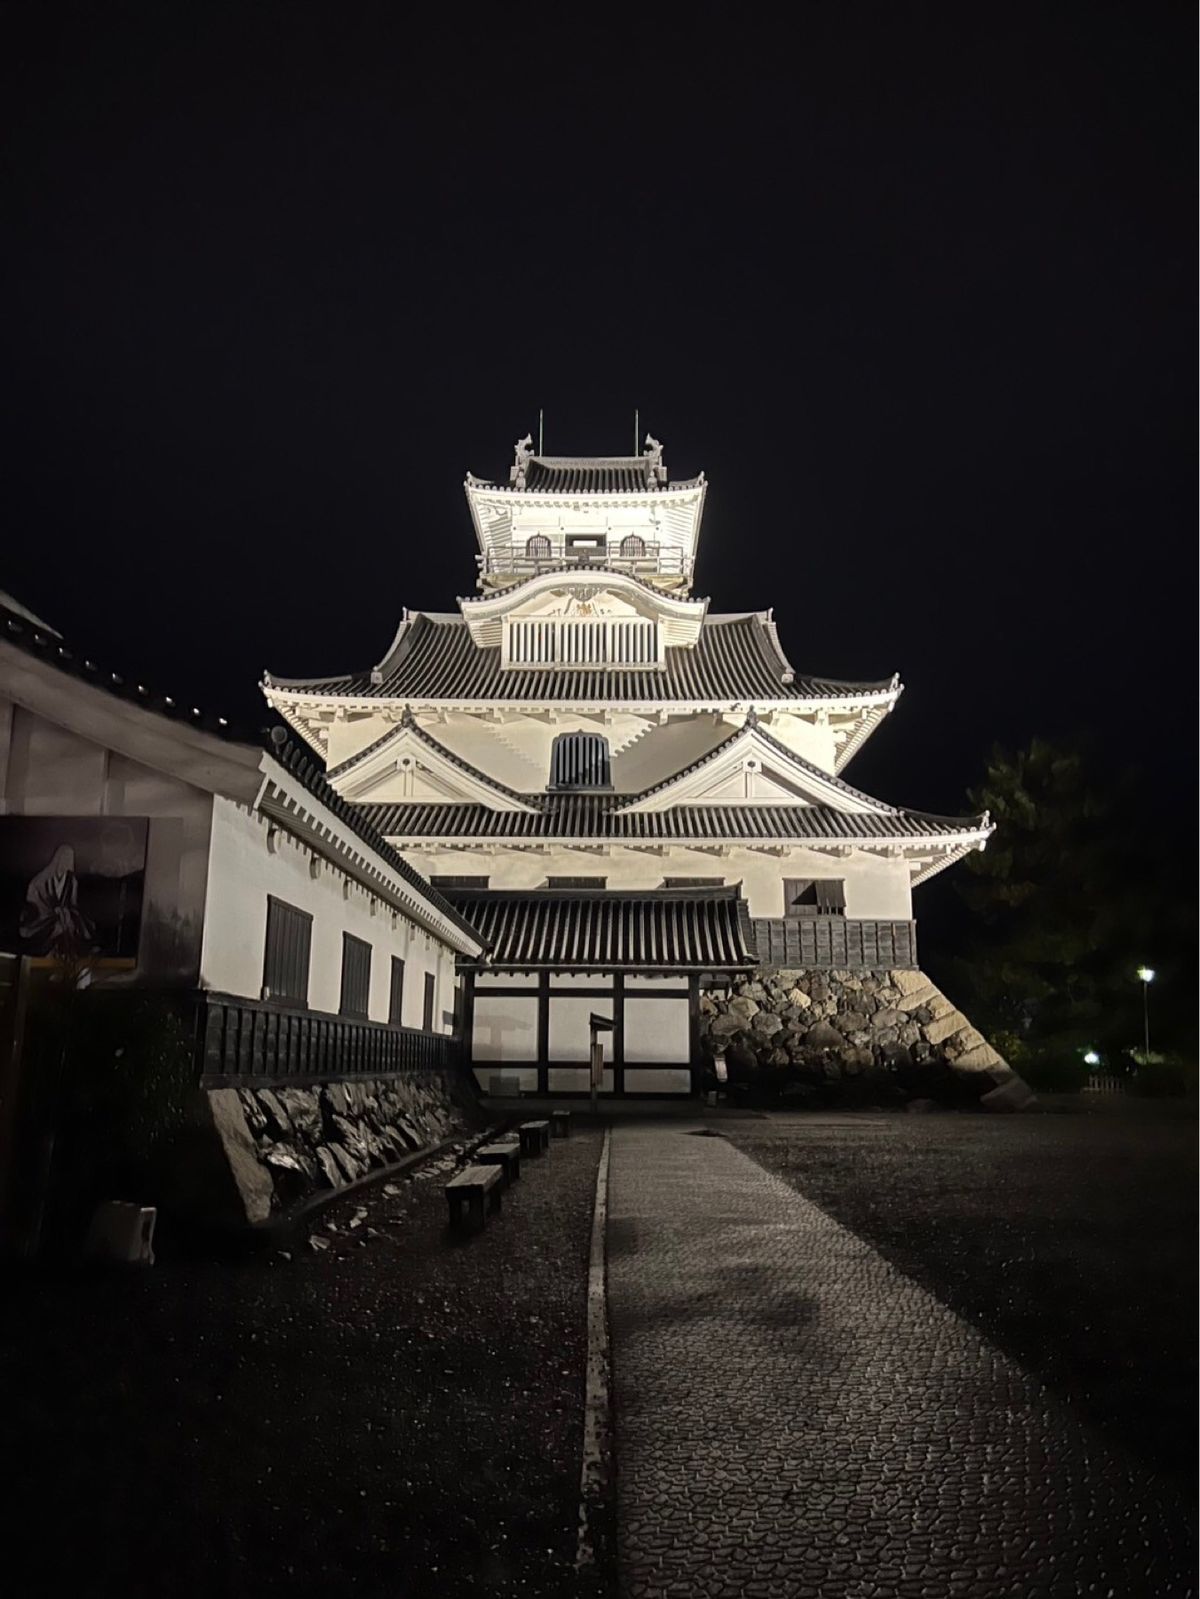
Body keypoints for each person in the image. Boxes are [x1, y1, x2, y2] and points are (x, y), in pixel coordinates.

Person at [19, 843, 94, 957]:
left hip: (63, 915)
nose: (66, 862)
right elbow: (34, 898)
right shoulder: (42, 879)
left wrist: (67, 911)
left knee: (72, 923)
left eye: (69, 859)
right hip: (44, 914)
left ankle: (69, 954)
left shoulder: (72, 881)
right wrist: (53, 910)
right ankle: (46, 952)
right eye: (64, 858)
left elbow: (73, 903)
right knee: (57, 925)